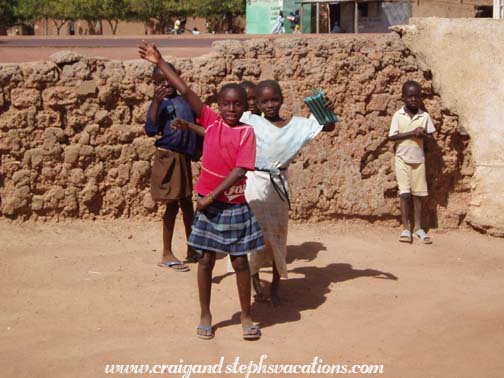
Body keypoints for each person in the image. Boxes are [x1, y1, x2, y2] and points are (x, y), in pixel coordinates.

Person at [138, 41, 265, 340]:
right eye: (226, 104)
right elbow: (184, 89)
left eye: (237, 104)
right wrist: (160, 61)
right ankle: (205, 314)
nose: (232, 109)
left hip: (231, 205)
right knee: (206, 260)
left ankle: (247, 315)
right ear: (218, 105)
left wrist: (210, 196)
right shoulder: (212, 121)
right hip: (209, 205)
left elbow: (239, 171)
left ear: (245, 107)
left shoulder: (246, 132)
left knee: (238, 261)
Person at [240, 80, 336, 305]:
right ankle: (254, 281)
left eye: (274, 99)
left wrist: (328, 111)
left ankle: (275, 284)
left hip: (278, 187)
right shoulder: (250, 122)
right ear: (258, 104)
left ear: (282, 99)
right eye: (264, 101)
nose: (270, 104)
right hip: (253, 183)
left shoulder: (297, 125)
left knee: (277, 238)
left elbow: (326, 126)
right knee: (252, 236)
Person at [145, 65, 201, 271]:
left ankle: (192, 248)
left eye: (170, 79)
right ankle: (166, 253)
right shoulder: (159, 104)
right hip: (168, 158)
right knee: (172, 204)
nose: (166, 85)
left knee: (187, 203)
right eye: (161, 82)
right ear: (155, 84)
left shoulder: (184, 100)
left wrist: (196, 149)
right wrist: (156, 102)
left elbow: (195, 124)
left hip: (183, 157)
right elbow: (150, 130)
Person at [389, 80, 435, 244]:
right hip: (401, 159)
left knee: (418, 195)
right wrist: (411, 133)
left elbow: (430, 138)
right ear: (403, 98)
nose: (414, 99)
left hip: (418, 161)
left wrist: (423, 135)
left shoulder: (425, 116)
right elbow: (392, 137)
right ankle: (405, 228)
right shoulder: (398, 115)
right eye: (410, 96)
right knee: (405, 194)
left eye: (417, 96)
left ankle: (418, 228)